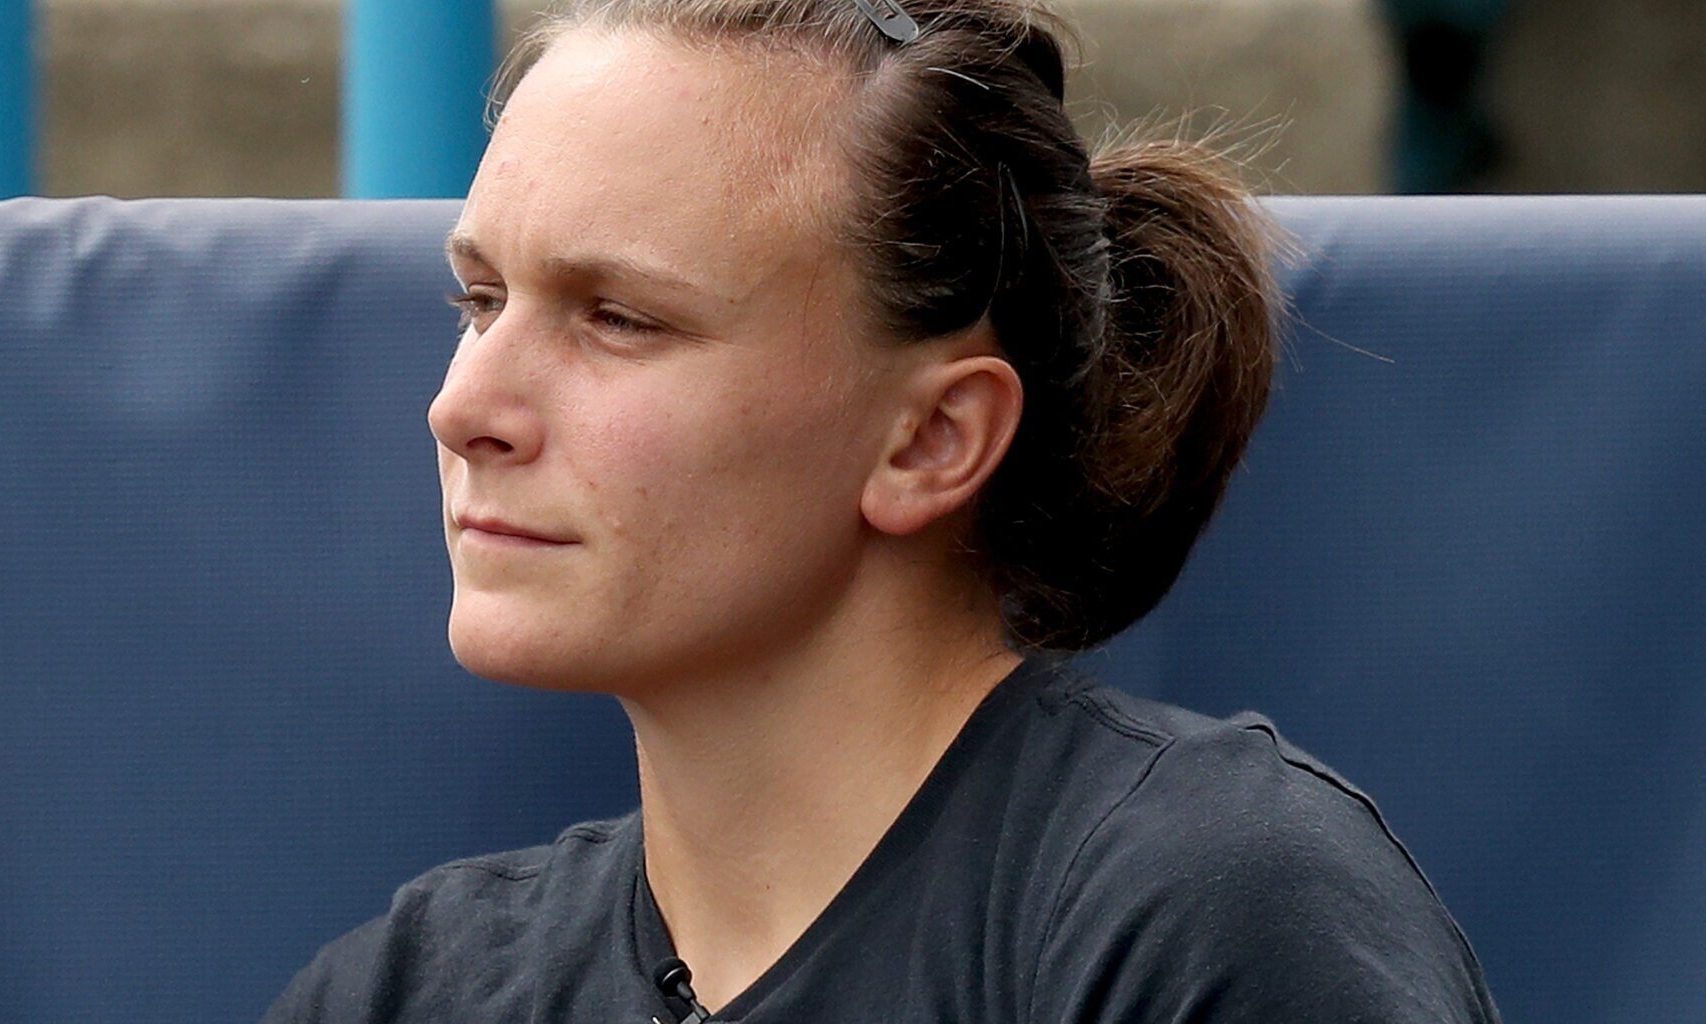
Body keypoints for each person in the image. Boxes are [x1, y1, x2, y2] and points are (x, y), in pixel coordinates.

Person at [265, 0, 1503, 1020]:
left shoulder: (1200, 919)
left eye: (619, 318)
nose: (463, 406)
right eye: (479, 301)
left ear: (931, 438)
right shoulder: (406, 989)